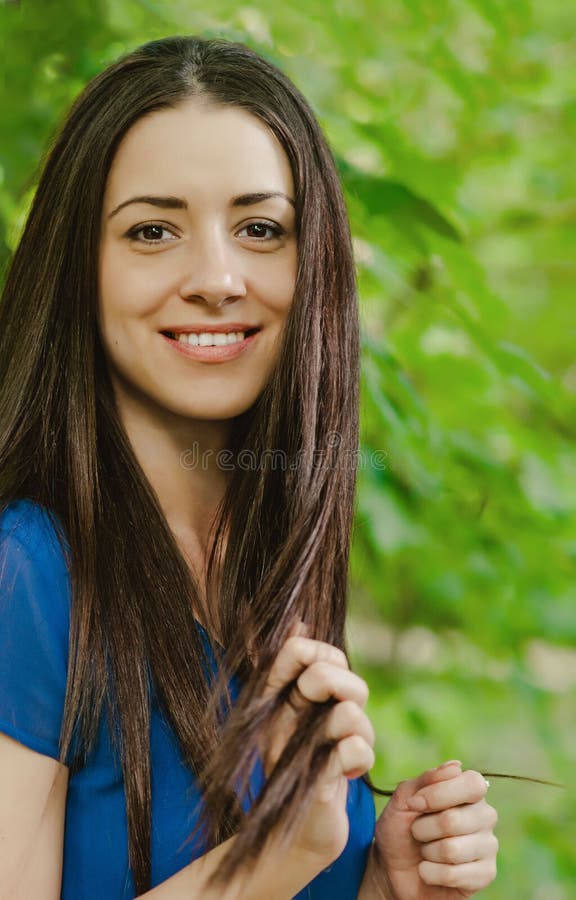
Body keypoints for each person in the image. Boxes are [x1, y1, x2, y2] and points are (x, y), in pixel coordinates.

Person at [0, 36, 498, 898]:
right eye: (153, 230)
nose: (219, 277)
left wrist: (382, 882)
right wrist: (274, 856)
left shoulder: (276, 559)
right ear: (78, 265)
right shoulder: (26, 578)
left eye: (261, 229)